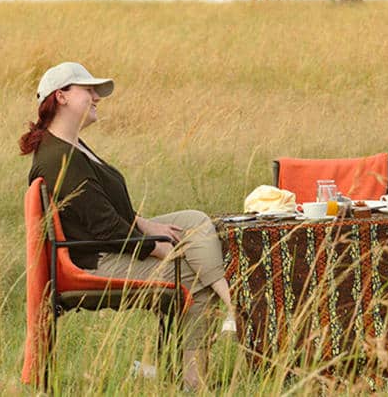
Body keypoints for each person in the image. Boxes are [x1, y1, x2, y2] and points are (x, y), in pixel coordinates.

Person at [19, 61, 235, 389]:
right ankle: (194, 378)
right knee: (190, 276)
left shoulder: (73, 146)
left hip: (113, 241)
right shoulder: (57, 157)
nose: (97, 97)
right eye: (88, 90)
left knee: (193, 220)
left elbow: (104, 208)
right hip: (95, 260)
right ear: (61, 96)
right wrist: (158, 248)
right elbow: (105, 229)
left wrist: (143, 223)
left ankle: (228, 299)